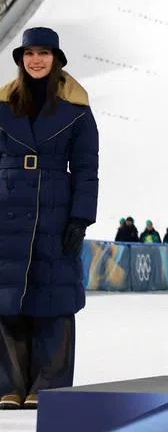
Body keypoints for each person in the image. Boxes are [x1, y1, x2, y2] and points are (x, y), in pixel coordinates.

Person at [0, 28, 98, 410]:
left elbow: (87, 169)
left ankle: (48, 383)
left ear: (56, 58)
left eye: (43, 53)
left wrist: (80, 218)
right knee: (7, 298)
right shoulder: (4, 104)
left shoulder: (76, 107)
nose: (35, 60)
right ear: (21, 59)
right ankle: (9, 383)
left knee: (53, 297)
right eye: (29, 54)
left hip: (54, 208)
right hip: (7, 206)